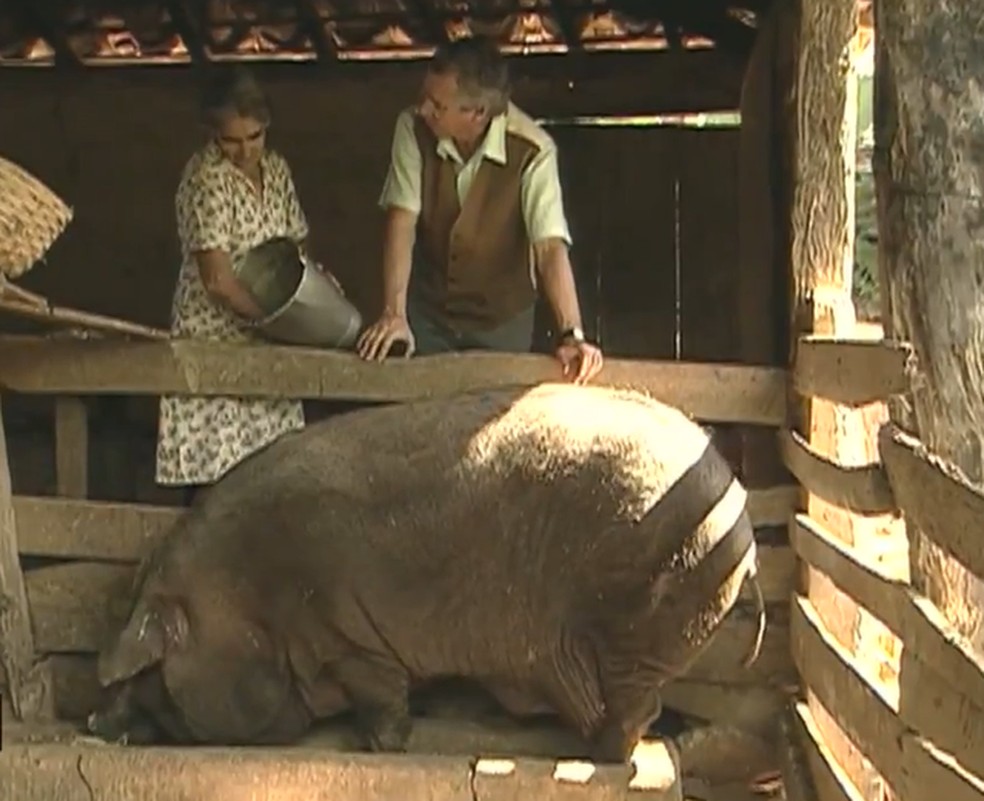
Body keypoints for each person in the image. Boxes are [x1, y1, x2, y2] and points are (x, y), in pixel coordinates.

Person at [356, 35, 603, 384]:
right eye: (424, 97)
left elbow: (548, 247)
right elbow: (402, 220)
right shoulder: (412, 128)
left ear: (477, 114)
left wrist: (571, 334)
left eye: (437, 105)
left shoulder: (533, 150)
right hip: (429, 315)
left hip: (501, 322)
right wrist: (394, 315)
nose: (424, 109)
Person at [155, 66, 312, 505]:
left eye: (255, 136)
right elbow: (217, 281)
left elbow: (295, 244)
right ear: (211, 134)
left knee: (274, 476)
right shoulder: (206, 178)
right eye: (231, 140)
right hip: (214, 339)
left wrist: (311, 292)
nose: (245, 151)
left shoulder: (276, 169)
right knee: (216, 485)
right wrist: (275, 320)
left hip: (267, 336)